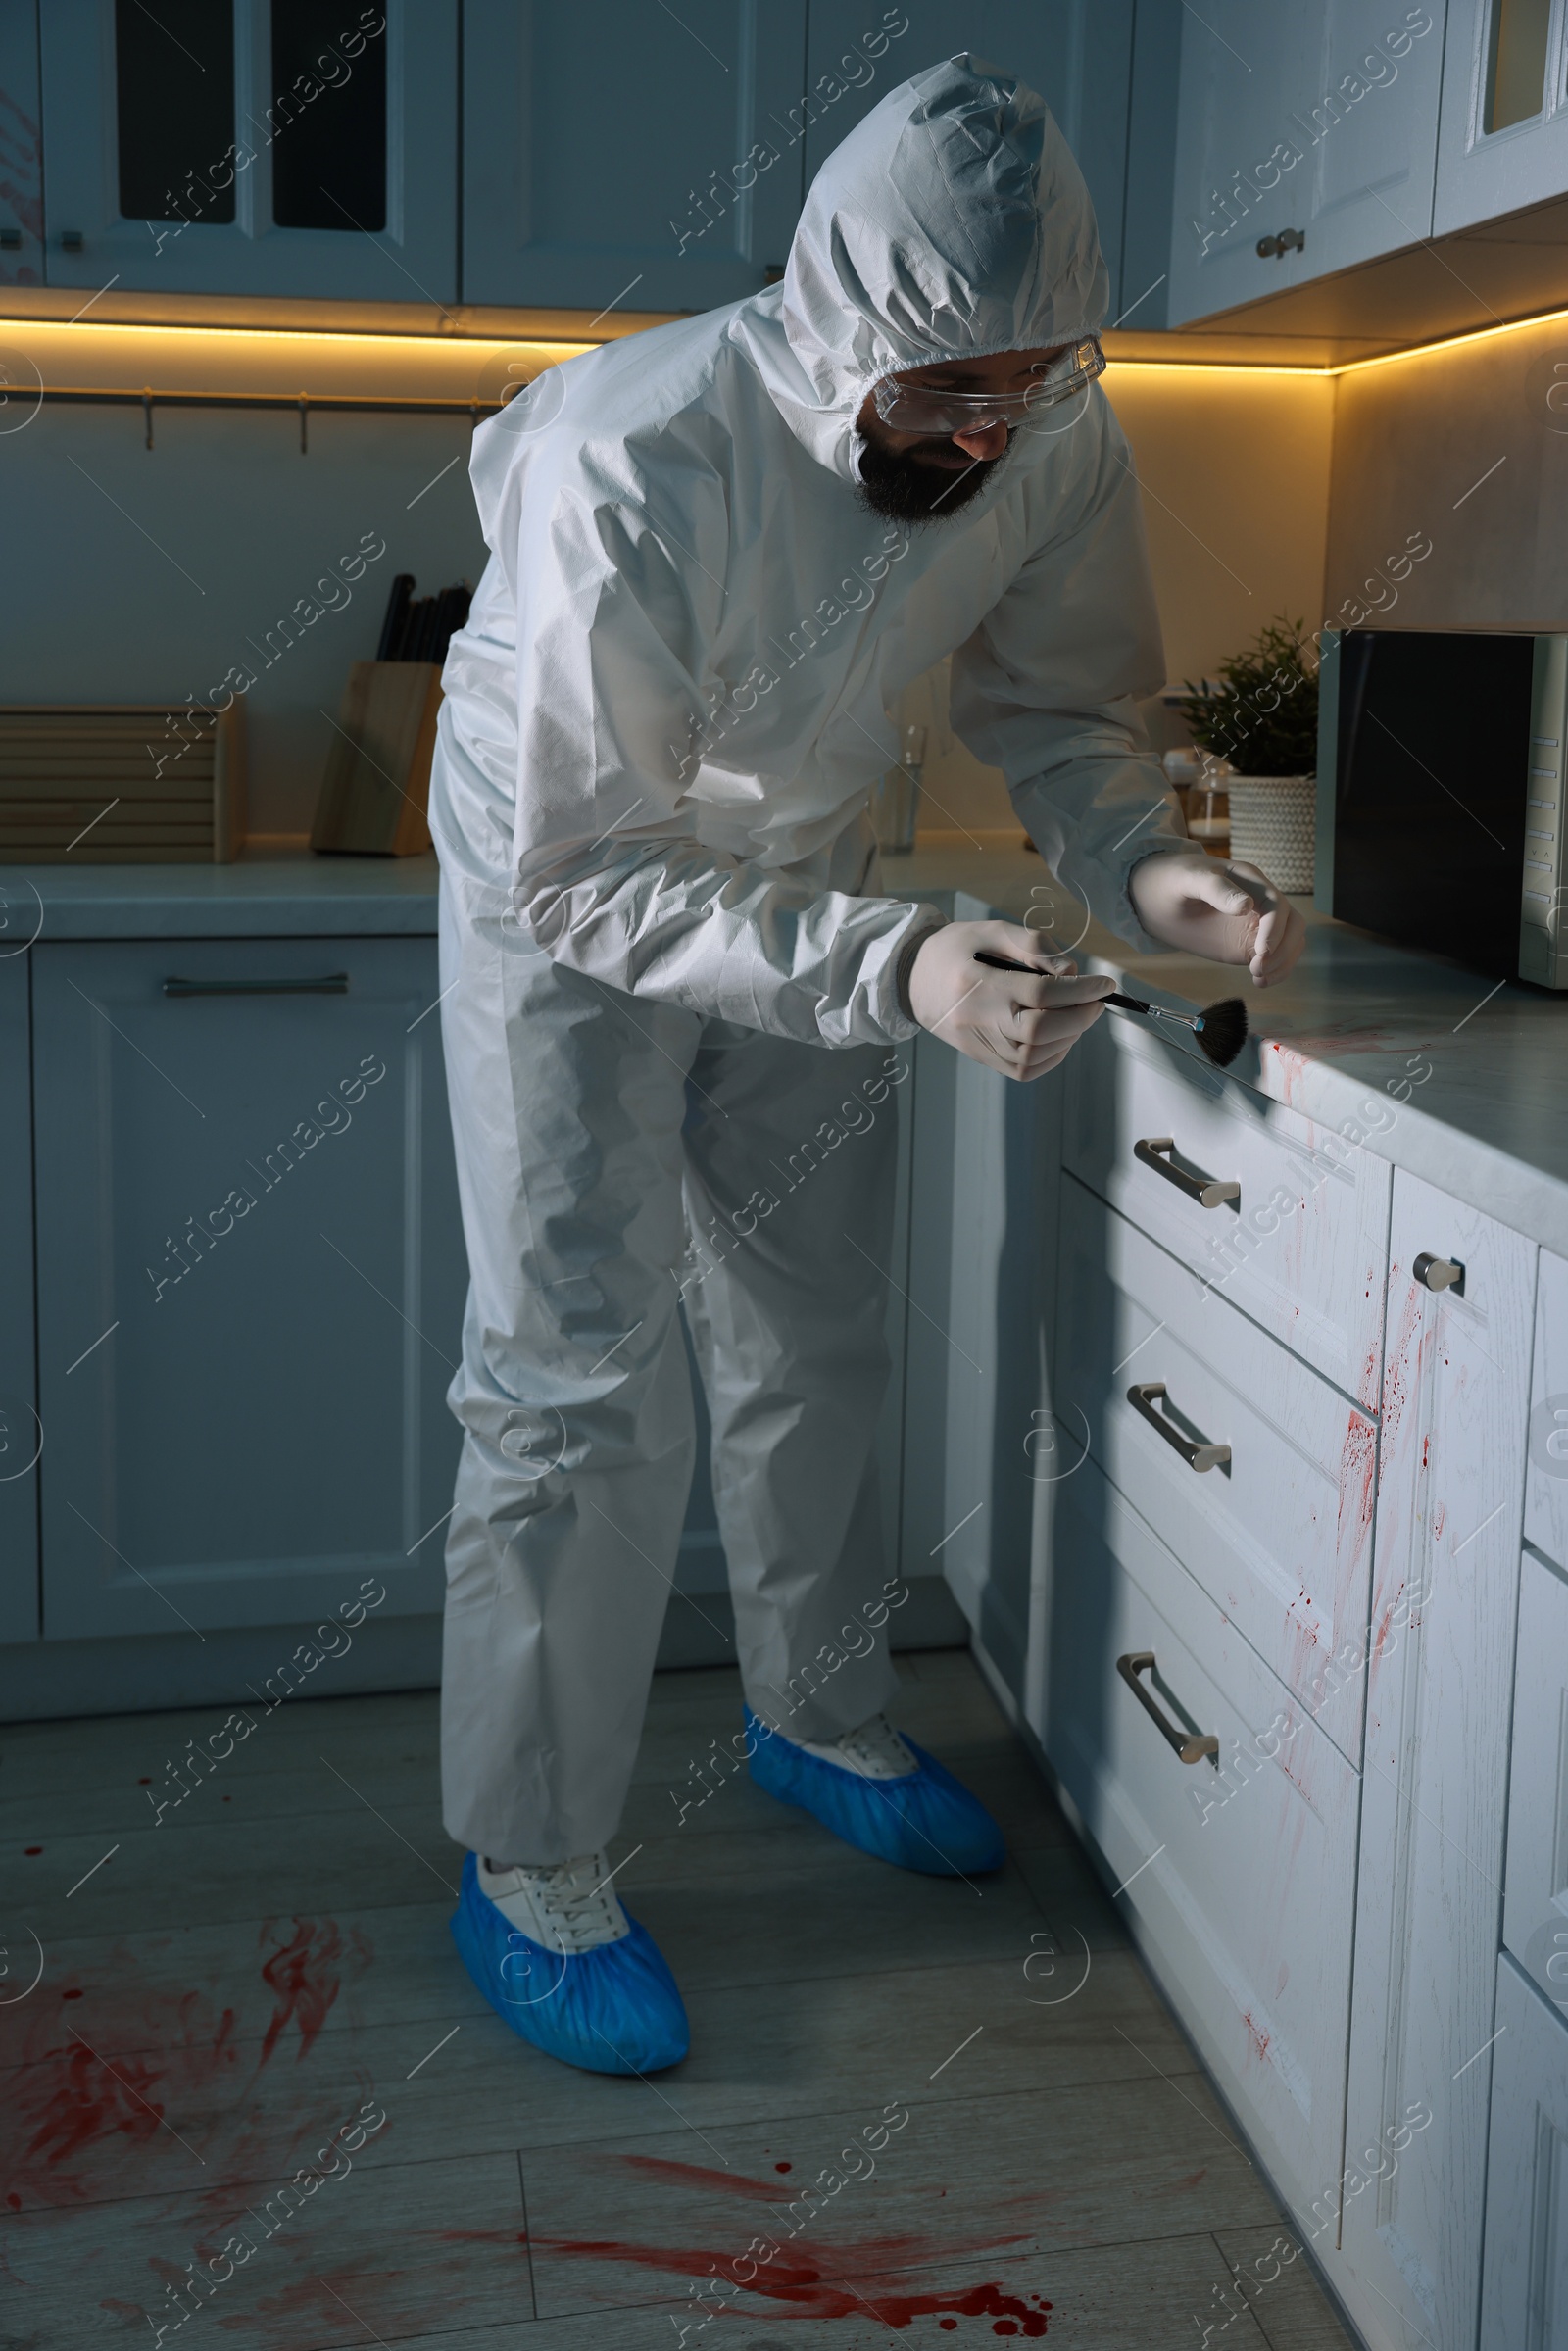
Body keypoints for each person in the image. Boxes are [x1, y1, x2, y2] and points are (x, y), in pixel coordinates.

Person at [427, 54, 1306, 2078]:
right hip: (558, 875)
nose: (990, 431)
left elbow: (1060, 706)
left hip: (808, 858)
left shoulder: (1054, 435)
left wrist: (1148, 866)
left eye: (1031, 380)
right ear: (840, 333)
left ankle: (811, 1715)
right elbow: (594, 868)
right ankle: (531, 1855)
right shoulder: (633, 447)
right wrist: (899, 966)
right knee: (574, 1367)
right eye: (947, 395)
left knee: (814, 1320)